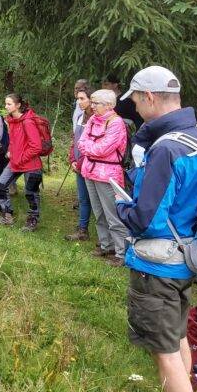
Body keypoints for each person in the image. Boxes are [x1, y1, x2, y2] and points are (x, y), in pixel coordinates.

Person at [116, 65, 197, 392]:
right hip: (185, 255)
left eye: (137, 102)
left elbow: (146, 219)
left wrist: (121, 208)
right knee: (178, 335)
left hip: (157, 265)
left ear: (149, 96)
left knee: (164, 352)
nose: (136, 110)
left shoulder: (166, 149)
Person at [77, 89, 129, 265]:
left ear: (108, 105)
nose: (92, 106)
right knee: (98, 212)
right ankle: (106, 245)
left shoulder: (116, 123)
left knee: (112, 214)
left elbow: (103, 149)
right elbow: (81, 143)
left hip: (108, 175)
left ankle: (121, 253)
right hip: (89, 171)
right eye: (92, 102)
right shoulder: (92, 119)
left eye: (95, 103)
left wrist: (90, 148)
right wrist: (91, 148)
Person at [0, 93, 43, 231]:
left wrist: (21, 158)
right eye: (5, 103)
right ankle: (7, 215)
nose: (6, 106)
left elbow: (36, 146)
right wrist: (10, 150)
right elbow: (13, 140)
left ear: (18, 105)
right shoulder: (12, 121)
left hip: (31, 164)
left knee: (31, 192)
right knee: (0, 185)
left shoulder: (28, 121)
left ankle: (33, 219)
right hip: (16, 161)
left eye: (9, 104)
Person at [65, 86, 93, 241]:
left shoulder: (97, 118)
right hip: (78, 166)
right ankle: (83, 229)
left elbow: (92, 146)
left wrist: (80, 162)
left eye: (82, 98)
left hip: (91, 166)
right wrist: (72, 159)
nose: (79, 101)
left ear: (91, 99)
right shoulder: (79, 116)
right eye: (78, 98)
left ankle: (108, 239)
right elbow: (74, 141)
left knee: (96, 201)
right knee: (82, 198)